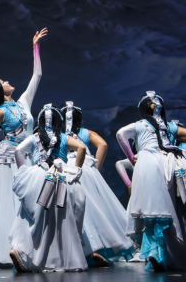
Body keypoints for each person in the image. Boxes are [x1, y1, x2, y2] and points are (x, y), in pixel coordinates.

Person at [116, 91, 186, 271]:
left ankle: (159, 254)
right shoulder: (169, 126)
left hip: (151, 163)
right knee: (181, 209)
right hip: (176, 161)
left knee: (156, 210)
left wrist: (131, 158)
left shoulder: (139, 125)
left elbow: (121, 134)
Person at [0, 28, 47, 264]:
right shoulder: (0, 111)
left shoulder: (23, 102)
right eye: (2, 82)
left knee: (32, 202)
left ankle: (31, 249)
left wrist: (35, 47)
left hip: (31, 158)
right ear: (0, 91)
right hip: (8, 160)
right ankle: (13, 250)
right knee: (12, 203)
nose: (7, 81)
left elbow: (36, 76)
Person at [9, 104, 87, 272]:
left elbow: (18, 151)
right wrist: (77, 169)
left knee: (31, 215)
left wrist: (22, 169)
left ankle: (23, 251)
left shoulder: (35, 137)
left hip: (38, 177)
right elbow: (82, 147)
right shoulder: (64, 137)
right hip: (60, 176)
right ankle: (56, 257)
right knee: (61, 217)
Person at [60, 101, 135, 266]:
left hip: (66, 168)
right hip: (86, 167)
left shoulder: (59, 134)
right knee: (95, 208)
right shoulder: (85, 132)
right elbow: (103, 144)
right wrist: (96, 166)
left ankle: (87, 249)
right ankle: (98, 248)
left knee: (75, 209)